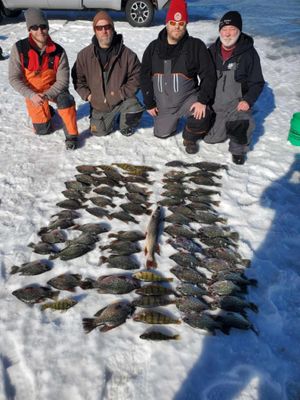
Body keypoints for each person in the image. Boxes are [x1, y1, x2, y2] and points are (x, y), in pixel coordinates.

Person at [140, 0, 216, 154]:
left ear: (186, 25)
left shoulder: (195, 46)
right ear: (167, 23)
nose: (176, 27)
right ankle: (170, 122)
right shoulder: (153, 48)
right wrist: (148, 102)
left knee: (203, 115)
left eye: (181, 23)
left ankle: (190, 136)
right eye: (173, 22)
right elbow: (144, 75)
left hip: (188, 100)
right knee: (161, 134)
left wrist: (202, 101)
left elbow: (209, 75)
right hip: (164, 106)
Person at [9, 8, 79, 150]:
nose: (40, 31)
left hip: (53, 91)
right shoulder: (19, 49)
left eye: (43, 26)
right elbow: (14, 78)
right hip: (33, 94)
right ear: (29, 30)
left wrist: (47, 95)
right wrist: (31, 95)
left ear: (47, 27)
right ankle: (48, 112)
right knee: (43, 130)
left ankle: (72, 136)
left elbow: (63, 81)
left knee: (66, 100)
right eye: (34, 27)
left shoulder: (59, 51)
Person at [204, 11, 265, 165]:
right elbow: (203, 77)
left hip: (235, 105)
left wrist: (248, 100)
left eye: (232, 29)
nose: (228, 33)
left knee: (243, 120)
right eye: (224, 29)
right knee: (211, 139)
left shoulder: (249, 54)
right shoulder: (212, 51)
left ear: (239, 30)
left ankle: (238, 150)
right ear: (219, 31)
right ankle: (223, 127)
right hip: (215, 104)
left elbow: (257, 82)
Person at [72, 11, 143, 137]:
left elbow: (137, 76)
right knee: (98, 132)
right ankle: (105, 118)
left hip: (121, 100)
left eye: (107, 27)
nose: (104, 31)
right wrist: (88, 96)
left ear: (113, 28)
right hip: (99, 104)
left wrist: (121, 93)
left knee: (134, 108)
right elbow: (78, 80)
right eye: (99, 28)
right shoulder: (84, 55)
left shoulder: (127, 54)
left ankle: (125, 124)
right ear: (95, 31)